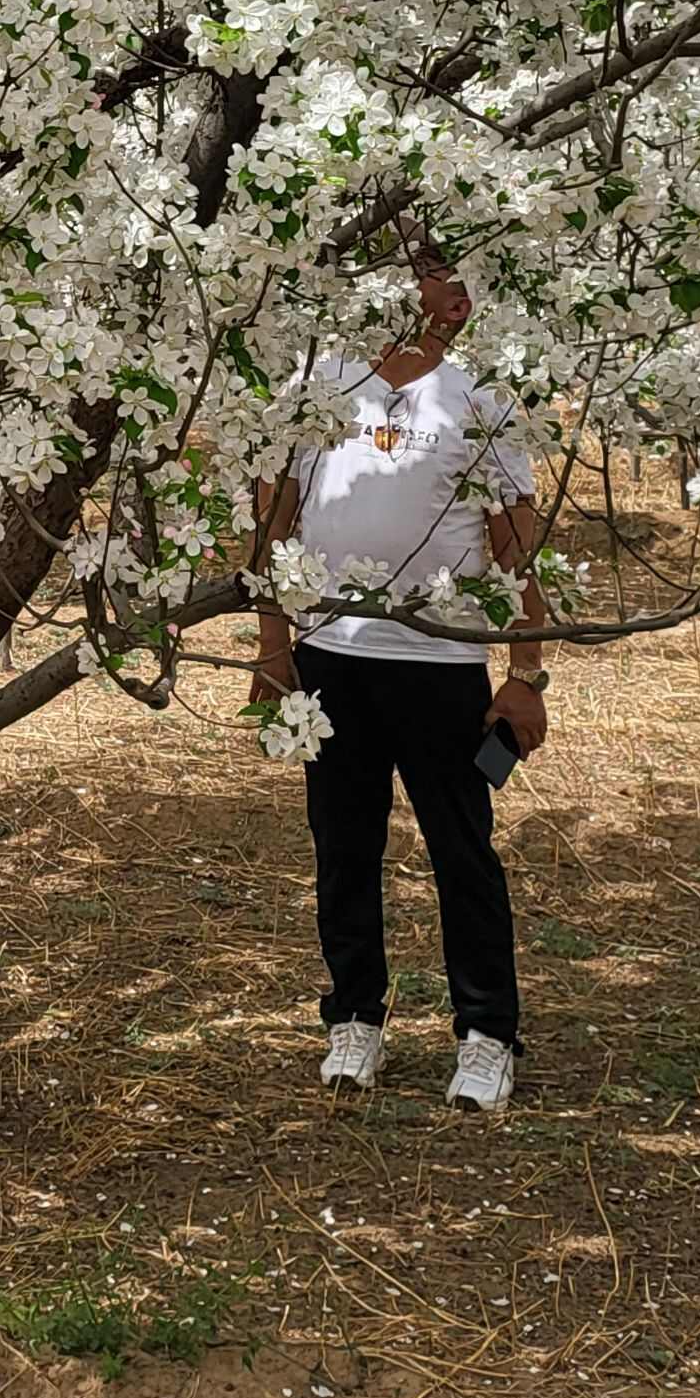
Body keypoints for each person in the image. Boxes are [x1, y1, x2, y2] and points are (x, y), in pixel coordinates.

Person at [249, 246, 552, 1113]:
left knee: (462, 852)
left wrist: (526, 672)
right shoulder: (321, 387)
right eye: (438, 277)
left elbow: (515, 545)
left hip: (440, 663)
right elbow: (278, 521)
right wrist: (274, 647)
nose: (454, 297)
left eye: (464, 284)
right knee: (344, 849)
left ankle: (486, 1034)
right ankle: (354, 1018)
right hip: (331, 661)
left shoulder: (479, 402)